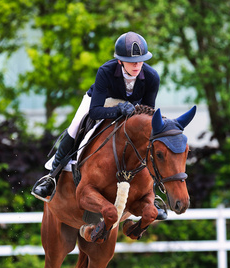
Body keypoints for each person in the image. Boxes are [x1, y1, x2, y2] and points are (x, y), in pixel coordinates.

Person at [32, 31, 166, 219]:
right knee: (76, 126)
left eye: (141, 60)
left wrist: (134, 115)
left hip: (132, 109)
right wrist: (118, 109)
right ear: (120, 61)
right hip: (101, 102)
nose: (137, 65)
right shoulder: (105, 71)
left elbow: (147, 112)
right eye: (131, 61)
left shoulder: (152, 77)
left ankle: (151, 193)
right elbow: (95, 111)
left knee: (146, 138)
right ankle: (52, 177)